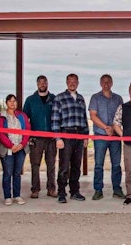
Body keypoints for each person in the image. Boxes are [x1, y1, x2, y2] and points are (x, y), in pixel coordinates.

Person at [51, 73, 89, 203]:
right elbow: (55, 119)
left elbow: (84, 118)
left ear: (78, 83)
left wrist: (86, 136)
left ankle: (75, 191)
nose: (72, 83)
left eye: (74, 81)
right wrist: (58, 138)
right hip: (66, 135)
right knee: (64, 166)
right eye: (70, 81)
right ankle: (61, 192)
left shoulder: (81, 98)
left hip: (79, 135)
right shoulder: (59, 98)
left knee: (76, 165)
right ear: (66, 82)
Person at [89, 74, 125, 200]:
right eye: (104, 82)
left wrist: (114, 129)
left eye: (108, 81)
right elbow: (93, 116)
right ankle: (98, 190)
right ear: (100, 83)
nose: (106, 84)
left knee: (116, 164)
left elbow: (121, 117)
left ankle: (117, 189)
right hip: (100, 135)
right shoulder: (95, 98)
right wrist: (106, 127)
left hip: (115, 137)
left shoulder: (118, 99)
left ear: (112, 83)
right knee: (99, 164)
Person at [23, 75, 57, 199]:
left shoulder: (54, 99)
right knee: (35, 165)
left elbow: (59, 117)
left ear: (47, 83)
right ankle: (35, 189)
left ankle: (51, 188)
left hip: (51, 138)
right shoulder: (30, 100)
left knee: (51, 164)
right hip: (36, 139)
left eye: (44, 82)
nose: (42, 84)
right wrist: (28, 136)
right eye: (40, 82)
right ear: (37, 84)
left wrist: (57, 134)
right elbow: (24, 119)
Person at [0, 94, 31, 206]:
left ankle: (17, 195)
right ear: (6, 103)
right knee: (7, 173)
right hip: (7, 149)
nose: (12, 103)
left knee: (17, 173)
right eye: (10, 101)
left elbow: (27, 130)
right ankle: (7, 196)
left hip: (20, 148)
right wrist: (11, 146)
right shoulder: (2, 116)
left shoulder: (22, 115)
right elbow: (0, 133)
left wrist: (22, 144)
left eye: (14, 101)